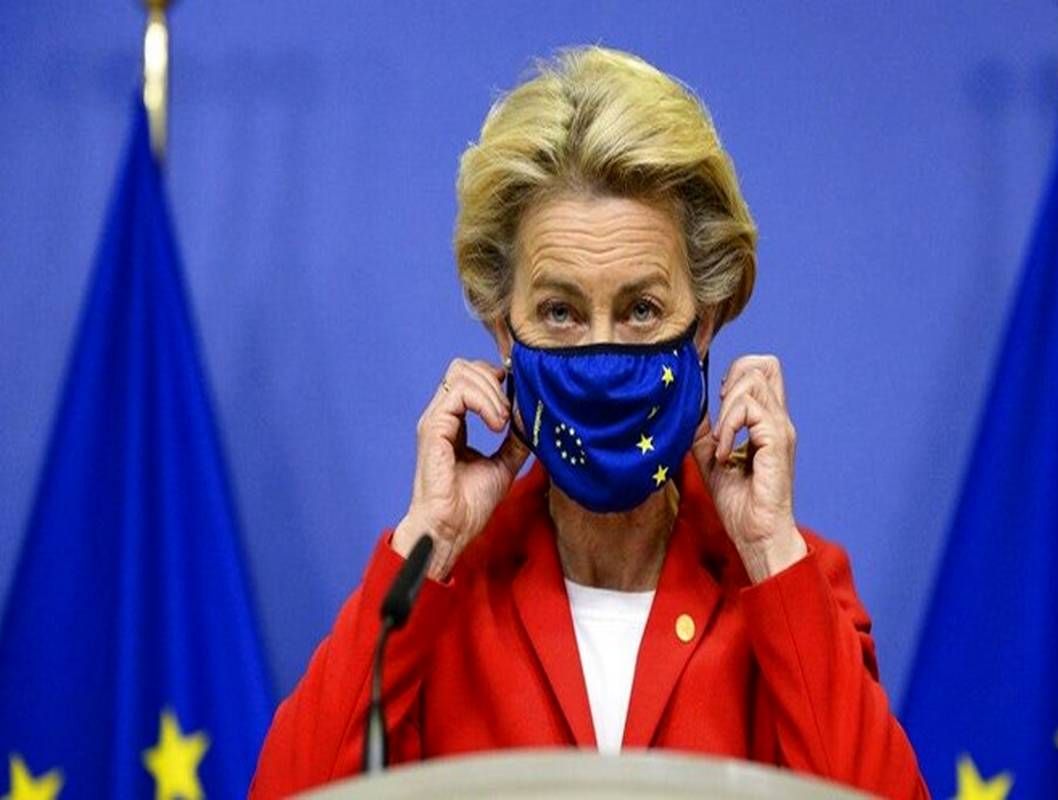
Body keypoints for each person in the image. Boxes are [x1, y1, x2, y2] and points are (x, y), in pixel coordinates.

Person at [250, 45, 928, 799]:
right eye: (560, 312)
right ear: (503, 330)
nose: (601, 357)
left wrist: (768, 548)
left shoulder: (790, 582)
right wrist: (431, 538)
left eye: (641, 310)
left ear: (704, 323)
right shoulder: (440, 594)